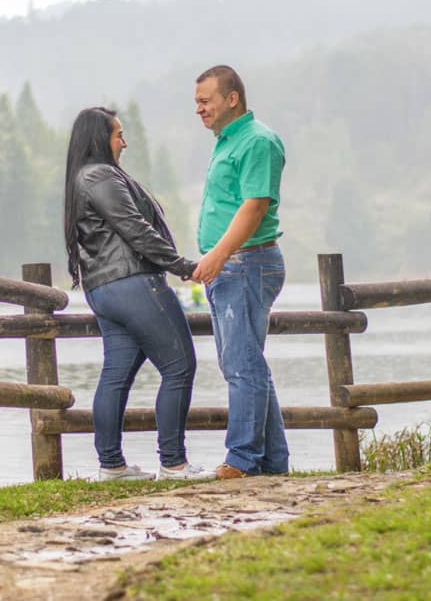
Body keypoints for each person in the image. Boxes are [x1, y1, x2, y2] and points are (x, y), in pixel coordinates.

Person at [64, 107, 212, 481]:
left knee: (116, 374)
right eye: (118, 134)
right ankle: (174, 463)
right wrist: (183, 266)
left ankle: (112, 465)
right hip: (133, 284)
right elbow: (136, 230)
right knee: (179, 367)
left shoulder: (83, 178)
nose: (124, 141)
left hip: (104, 289)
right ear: (100, 139)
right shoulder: (101, 176)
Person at [191, 66, 289, 479]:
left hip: (247, 263)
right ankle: (271, 461)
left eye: (206, 101)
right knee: (246, 363)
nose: (199, 109)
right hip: (232, 265)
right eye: (196, 103)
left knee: (242, 364)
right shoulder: (227, 141)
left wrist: (217, 255)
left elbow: (254, 207)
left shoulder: (258, 141)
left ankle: (242, 460)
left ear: (232, 99)